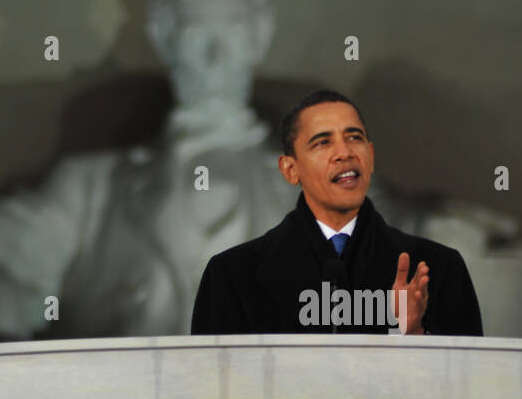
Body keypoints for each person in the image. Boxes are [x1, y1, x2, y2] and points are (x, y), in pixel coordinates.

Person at [191, 91, 484, 336]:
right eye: (323, 142)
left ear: (370, 157)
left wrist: (412, 336)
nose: (344, 152)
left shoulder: (440, 270)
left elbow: (469, 391)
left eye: (354, 138)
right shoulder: (231, 277)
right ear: (290, 169)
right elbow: (208, 390)